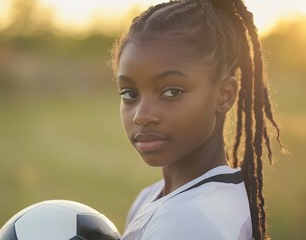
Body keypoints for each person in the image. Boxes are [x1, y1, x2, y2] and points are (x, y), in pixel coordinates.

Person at [110, 0, 282, 239]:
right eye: (130, 94)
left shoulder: (187, 222)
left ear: (225, 94)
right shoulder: (153, 197)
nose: (142, 116)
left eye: (172, 92)